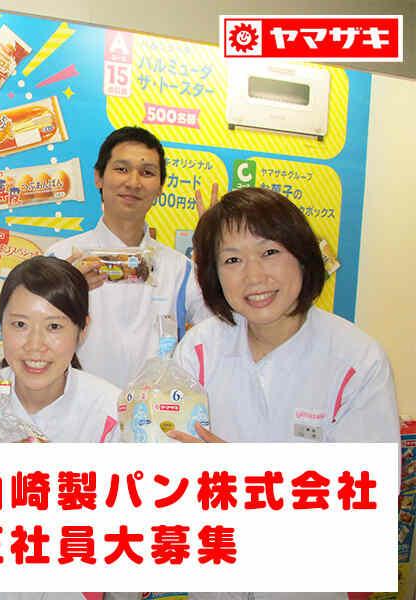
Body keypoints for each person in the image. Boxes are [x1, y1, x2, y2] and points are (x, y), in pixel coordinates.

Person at [168, 187, 400, 600]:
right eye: (232, 260)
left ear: (303, 255)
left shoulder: (357, 361)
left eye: (270, 252)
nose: (254, 276)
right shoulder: (200, 349)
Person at [0, 256, 120, 600]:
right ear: (1, 324)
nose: (35, 345)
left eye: (54, 327)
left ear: (82, 329)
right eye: (20, 325)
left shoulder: (108, 411)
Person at [47, 127, 210, 389]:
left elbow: (219, 329)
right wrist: (65, 289)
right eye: (122, 169)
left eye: (147, 173)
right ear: (98, 177)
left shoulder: (180, 269)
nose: (133, 183)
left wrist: (217, 252)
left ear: (160, 188)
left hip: (155, 410)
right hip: (77, 408)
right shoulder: (59, 258)